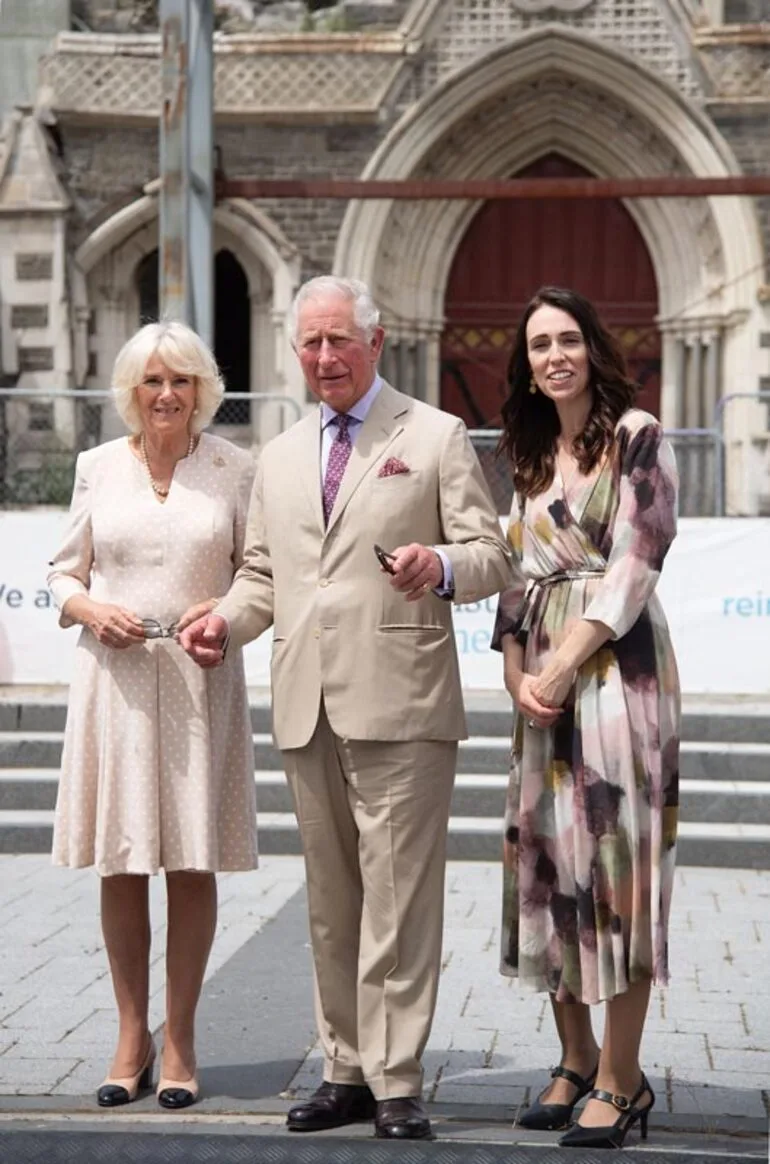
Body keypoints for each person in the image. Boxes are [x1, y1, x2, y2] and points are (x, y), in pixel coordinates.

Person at [180, 276, 513, 1140]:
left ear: (376, 339)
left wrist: (437, 565)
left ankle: (398, 1079)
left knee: (399, 900)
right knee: (332, 901)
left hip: (402, 700)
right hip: (306, 702)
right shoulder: (281, 454)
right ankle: (346, 1071)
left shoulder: (434, 435)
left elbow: (490, 556)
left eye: (339, 341)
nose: (323, 358)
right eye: (310, 344)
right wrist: (223, 619)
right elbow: (263, 576)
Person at [48, 321, 258, 1111]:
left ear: (203, 389)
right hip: (119, 682)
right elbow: (63, 571)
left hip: (203, 679)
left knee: (191, 860)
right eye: (152, 382)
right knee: (123, 858)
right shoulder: (96, 467)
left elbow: (257, 575)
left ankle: (181, 1040)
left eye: (181, 381)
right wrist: (89, 609)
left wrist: (227, 611)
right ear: (131, 392)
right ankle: (129, 1036)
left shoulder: (237, 468)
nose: (167, 395)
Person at [492, 286, 680, 1150]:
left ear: (593, 347)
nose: (555, 355)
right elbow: (510, 570)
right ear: (525, 366)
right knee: (546, 868)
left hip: (616, 672)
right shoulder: (527, 453)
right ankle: (574, 1059)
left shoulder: (637, 435)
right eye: (538, 346)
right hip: (541, 682)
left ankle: (622, 1076)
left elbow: (638, 559)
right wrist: (514, 669)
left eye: (568, 339)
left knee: (614, 869)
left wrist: (564, 660)